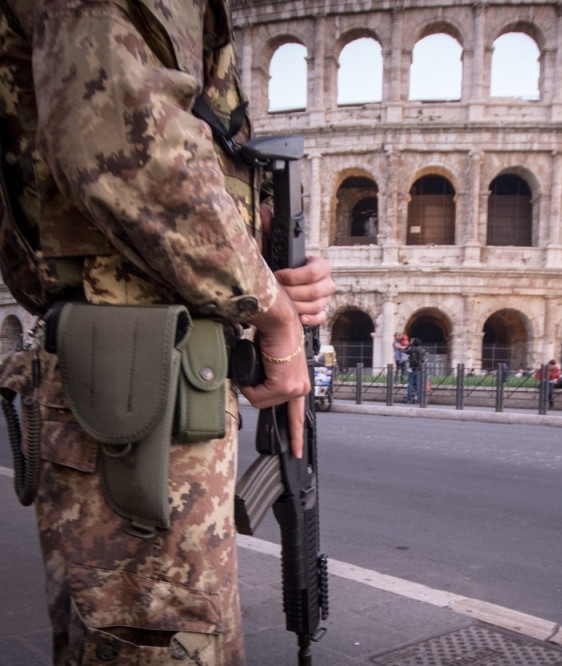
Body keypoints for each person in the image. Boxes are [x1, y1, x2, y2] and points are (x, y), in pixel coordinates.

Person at [0, 2, 334, 663]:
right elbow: (127, 147)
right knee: (160, 643)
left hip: (163, 372)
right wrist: (272, 313)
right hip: (137, 387)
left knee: (173, 636)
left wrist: (271, 275)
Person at [405, 337, 425, 404]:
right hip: (419, 368)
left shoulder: (411, 349)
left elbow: (404, 351)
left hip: (412, 368)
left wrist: (409, 345)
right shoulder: (422, 350)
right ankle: (419, 399)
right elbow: (422, 358)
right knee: (418, 384)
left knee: (410, 384)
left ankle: (409, 399)